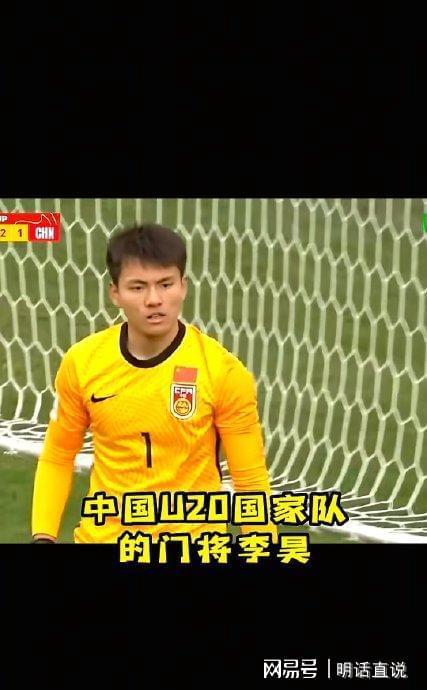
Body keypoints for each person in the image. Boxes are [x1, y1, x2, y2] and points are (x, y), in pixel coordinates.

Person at [31, 224, 277, 544]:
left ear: (183, 287)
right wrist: (43, 537)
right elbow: (58, 455)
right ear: (115, 293)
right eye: (138, 287)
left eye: (165, 284)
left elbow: (250, 482)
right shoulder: (82, 363)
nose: (154, 300)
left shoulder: (223, 373)